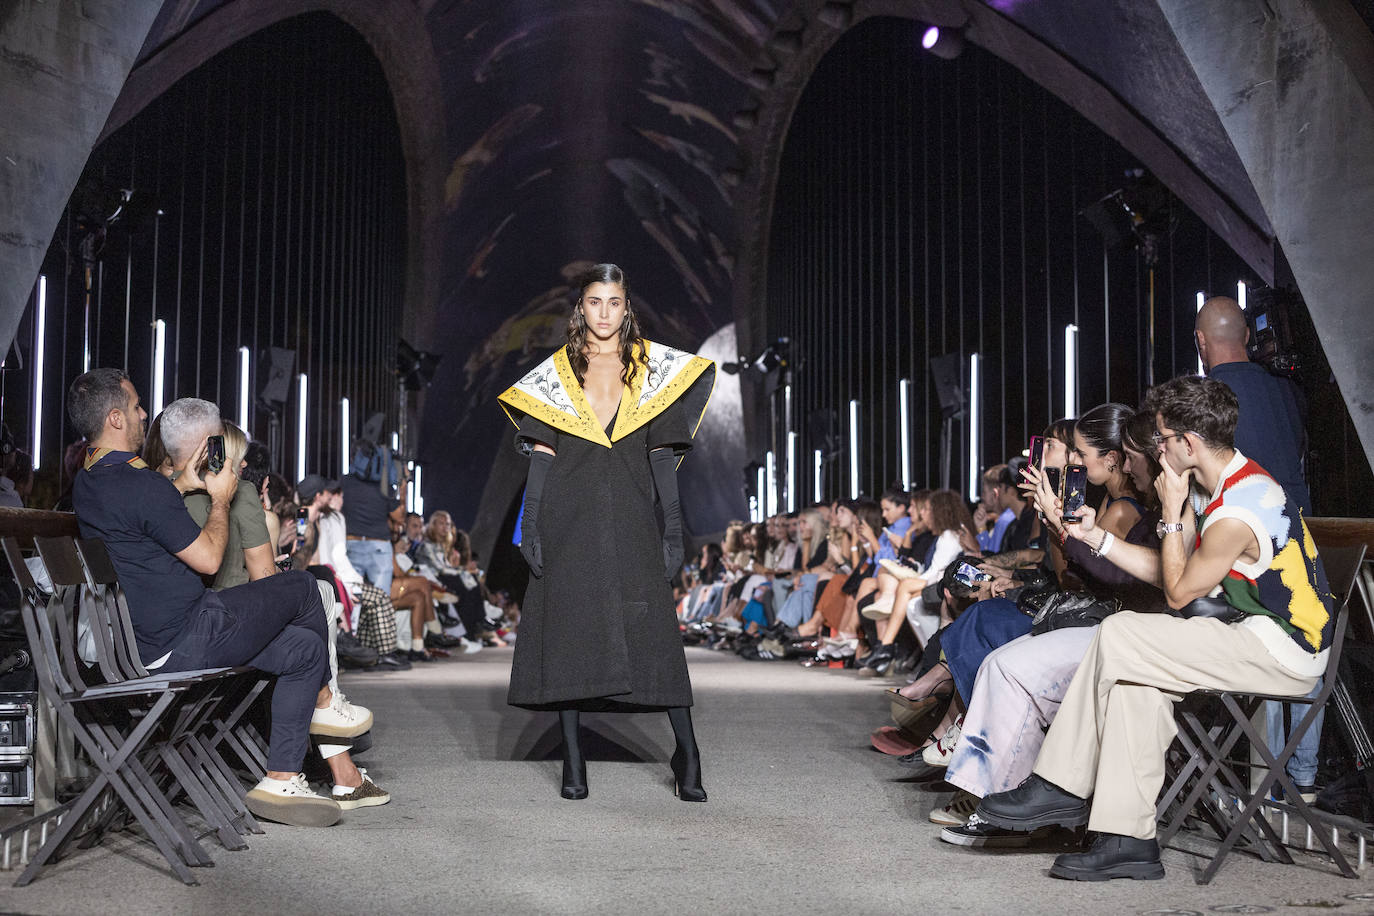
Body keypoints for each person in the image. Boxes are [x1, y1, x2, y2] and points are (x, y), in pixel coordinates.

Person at [974, 375, 1335, 881]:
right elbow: (1170, 567)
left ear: (1188, 444)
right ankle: (1128, 840)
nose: (1153, 450)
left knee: (1122, 631)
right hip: (1243, 630)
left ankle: (1059, 784)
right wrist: (1096, 537)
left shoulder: (1241, 506)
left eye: (1162, 439)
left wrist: (1169, 510)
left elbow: (1177, 591)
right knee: (1132, 684)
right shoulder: (1215, 488)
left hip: (1285, 650)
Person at [68, 370, 380, 826]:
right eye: (135, 406)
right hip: (182, 637)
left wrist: (181, 484)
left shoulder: (92, 480)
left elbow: (136, 515)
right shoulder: (144, 488)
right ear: (114, 417)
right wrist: (219, 498)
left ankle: (281, 777)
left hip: (146, 639)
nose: (142, 414)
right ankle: (326, 705)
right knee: (303, 587)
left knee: (305, 650)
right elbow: (210, 561)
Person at [496, 263, 716, 802]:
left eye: (613, 302)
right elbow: (542, 460)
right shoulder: (558, 372)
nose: (604, 312)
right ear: (581, 308)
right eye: (594, 302)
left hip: (634, 519)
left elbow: (662, 459)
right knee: (570, 635)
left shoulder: (651, 372)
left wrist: (671, 532)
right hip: (567, 521)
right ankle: (573, 760)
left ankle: (687, 751)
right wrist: (531, 525)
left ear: (626, 307)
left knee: (657, 638)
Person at [1196, 294, 1323, 795]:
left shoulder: (1207, 398)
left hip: (1244, 531)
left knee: (1262, 639)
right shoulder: (1287, 391)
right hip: (1303, 527)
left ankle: (1265, 783)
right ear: (1248, 337)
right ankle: (1305, 774)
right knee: (1306, 637)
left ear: (1201, 342)